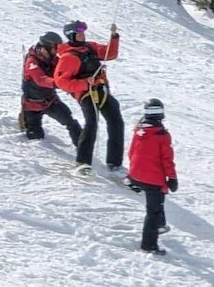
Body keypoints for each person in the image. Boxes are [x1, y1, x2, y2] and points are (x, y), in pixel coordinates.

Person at [53, 19, 124, 175]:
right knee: (91, 123)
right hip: (86, 93)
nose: (82, 35)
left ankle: (114, 162)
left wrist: (114, 36)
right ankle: (82, 162)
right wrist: (85, 83)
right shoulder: (68, 57)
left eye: (83, 33)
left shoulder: (90, 47)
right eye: (79, 33)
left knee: (116, 121)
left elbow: (109, 53)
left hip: (101, 90)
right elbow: (61, 81)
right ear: (71, 35)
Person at [127, 98, 178, 256]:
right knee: (153, 211)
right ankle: (149, 245)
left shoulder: (139, 131)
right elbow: (167, 160)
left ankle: (160, 225)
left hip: (136, 174)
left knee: (157, 200)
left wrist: (134, 170)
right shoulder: (161, 135)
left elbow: (131, 152)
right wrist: (172, 178)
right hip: (153, 178)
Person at [21, 31, 84, 146]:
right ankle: (25, 121)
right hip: (32, 105)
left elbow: (63, 69)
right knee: (36, 138)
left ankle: (84, 150)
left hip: (50, 101)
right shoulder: (32, 61)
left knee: (71, 122)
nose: (57, 52)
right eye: (55, 49)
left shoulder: (52, 59)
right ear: (45, 48)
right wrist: (60, 83)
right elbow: (41, 79)